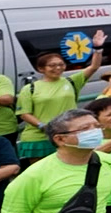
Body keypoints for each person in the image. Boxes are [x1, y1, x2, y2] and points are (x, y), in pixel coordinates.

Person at [14, 34, 106, 163]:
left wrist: (98, 48)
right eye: (52, 66)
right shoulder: (30, 88)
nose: (57, 68)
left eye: (60, 65)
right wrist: (44, 126)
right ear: (41, 69)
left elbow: (94, 67)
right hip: (39, 138)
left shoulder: (71, 81)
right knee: (42, 172)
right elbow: (24, 113)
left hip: (68, 134)